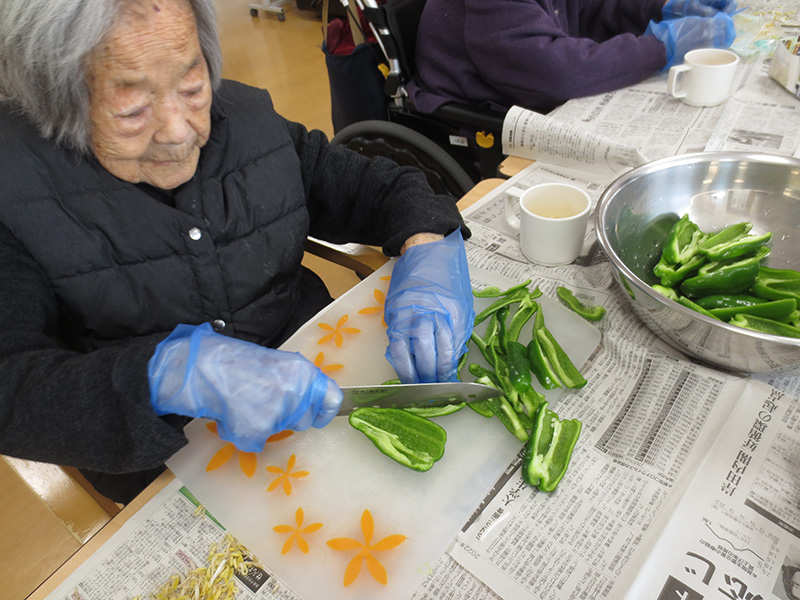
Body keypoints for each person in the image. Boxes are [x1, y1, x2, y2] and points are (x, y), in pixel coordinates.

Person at [0, 0, 474, 503]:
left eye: (192, 86)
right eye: (132, 110)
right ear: (57, 100)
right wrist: (168, 377)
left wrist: (427, 247)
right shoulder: (15, 190)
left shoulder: (249, 122)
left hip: (318, 397)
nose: (180, 132)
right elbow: (11, 387)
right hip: (169, 467)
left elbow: (378, 188)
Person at [407, 0, 738, 116]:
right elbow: (558, 72)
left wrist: (663, 6)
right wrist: (661, 46)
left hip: (528, 87)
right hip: (477, 117)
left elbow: (597, 7)